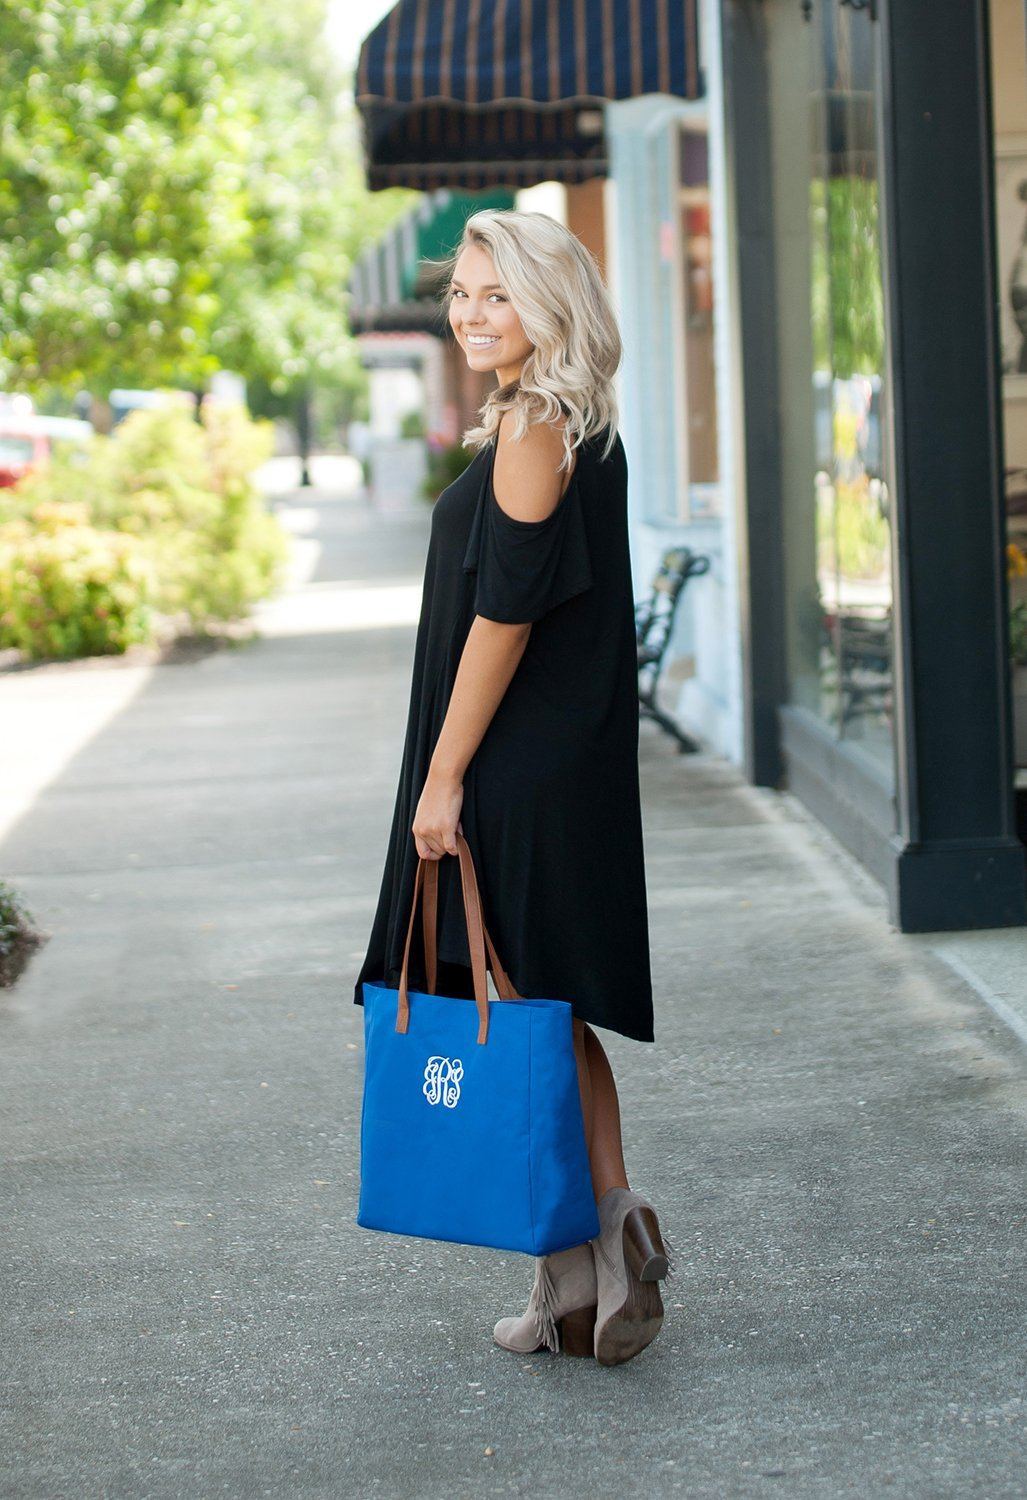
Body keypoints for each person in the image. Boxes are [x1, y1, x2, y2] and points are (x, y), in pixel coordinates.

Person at [353, 208, 669, 1366]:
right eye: (461, 294)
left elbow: (506, 614)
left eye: (496, 294)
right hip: (551, 758)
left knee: (523, 1004)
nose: (470, 314)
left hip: (515, 764)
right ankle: (590, 1269)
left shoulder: (537, 425)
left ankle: (590, 1255)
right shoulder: (566, 420)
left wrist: (441, 781)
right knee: (541, 1009)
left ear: (550, 303)